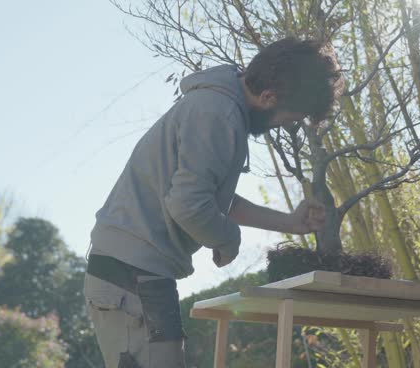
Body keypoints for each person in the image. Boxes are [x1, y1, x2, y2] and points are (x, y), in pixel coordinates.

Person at [83, 38, 344, 368]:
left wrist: (289, 223)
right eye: (292, 118)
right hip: (130, 276)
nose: (288, 125)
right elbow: (188, 204)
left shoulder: (221, 106)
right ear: (268, 97)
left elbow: (212, 198)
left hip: (138, 273)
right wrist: (228, 239)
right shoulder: (218, 114)